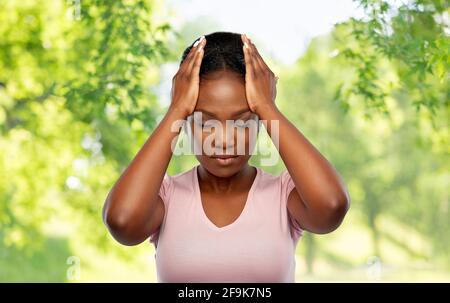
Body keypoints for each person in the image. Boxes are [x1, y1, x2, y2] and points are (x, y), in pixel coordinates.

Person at [102, 31, 350, 282]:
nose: (223, 140)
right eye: (205, 123)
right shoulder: (166, 196)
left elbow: (330, 207)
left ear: (260, 122)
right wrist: (176, 108)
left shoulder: (284, 195)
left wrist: (267, 106)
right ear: (185, 122)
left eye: (242, 122)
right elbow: (122, 223)